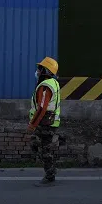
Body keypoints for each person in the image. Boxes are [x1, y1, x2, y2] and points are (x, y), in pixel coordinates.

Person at [28, 57, 61, 186]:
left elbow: (42, 107)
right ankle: (51, 170)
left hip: (45, 122)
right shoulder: (54, 83)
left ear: (45, 70)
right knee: (40, 146)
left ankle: (50, 174)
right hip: (49, 122)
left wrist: (32, 124)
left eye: (40, 68)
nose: (37, 70)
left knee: (42, 148)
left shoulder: (46, 86)